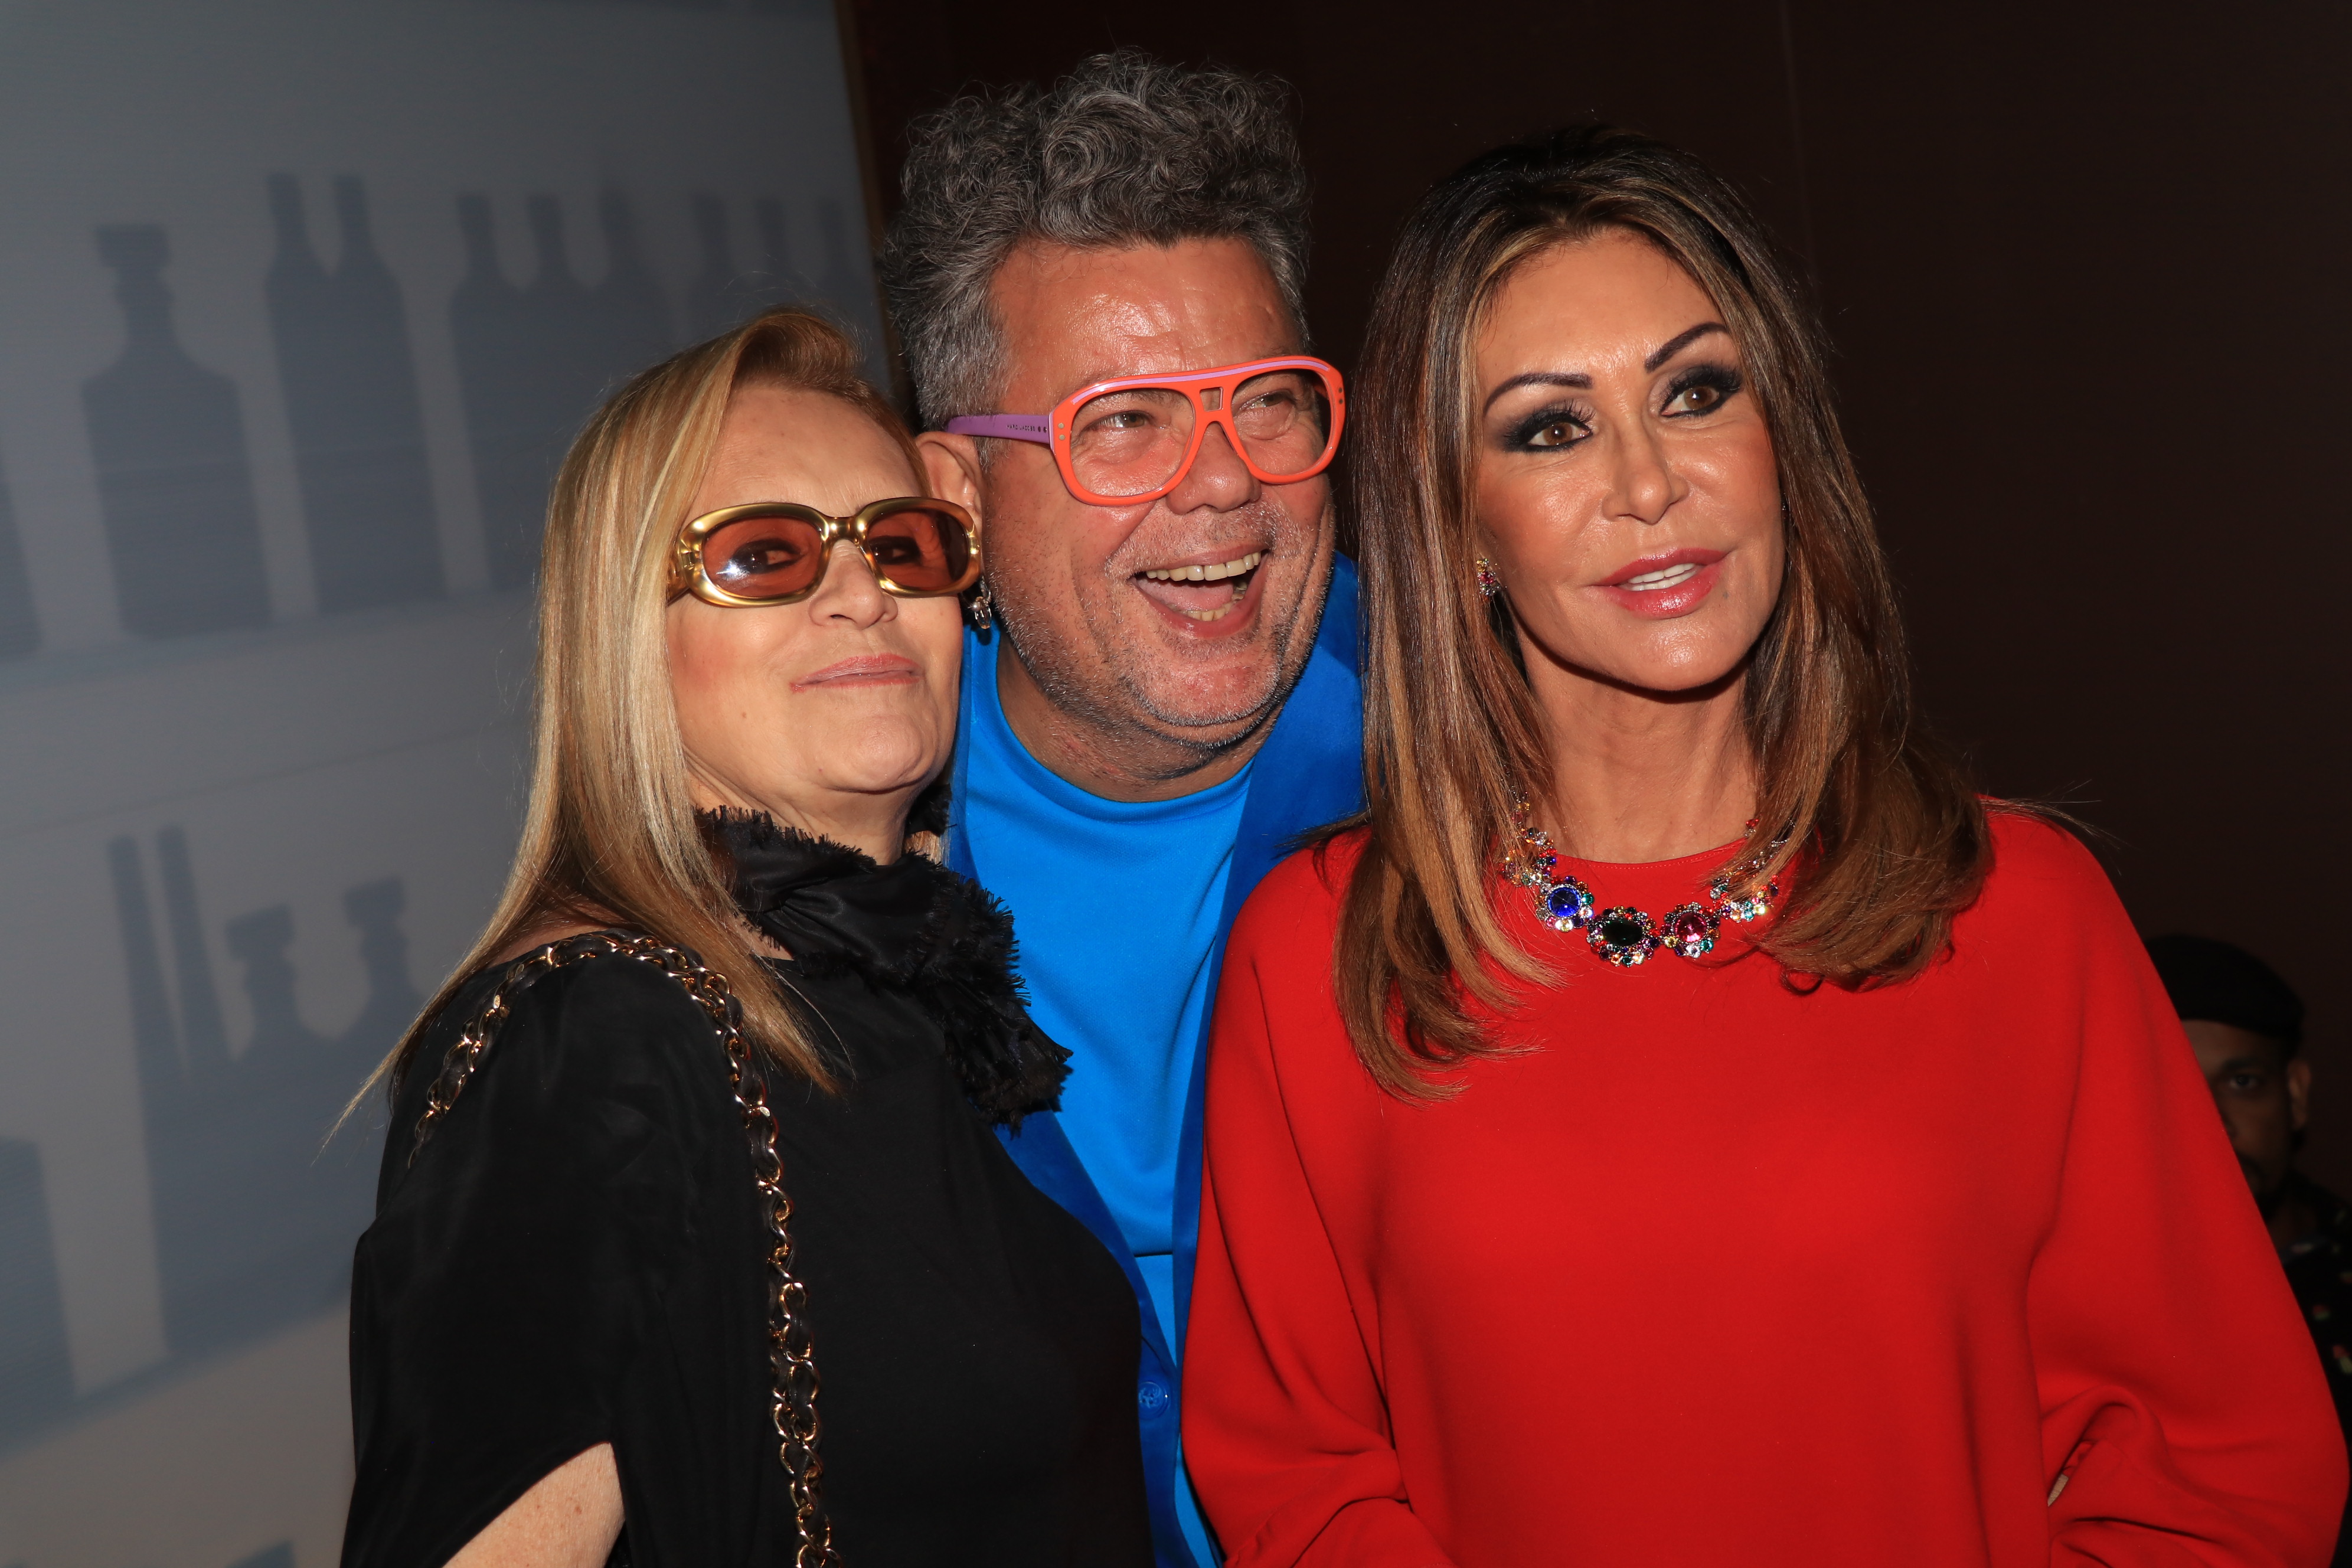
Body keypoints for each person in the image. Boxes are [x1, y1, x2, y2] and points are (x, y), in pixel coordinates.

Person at [1182, 126, 2346, 1566]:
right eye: (1549, 427)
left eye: (1696, 392)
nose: (1649, 481)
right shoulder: (1323, 948)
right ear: (1457, 519)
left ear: (1777, 441)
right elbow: (1296, 1479)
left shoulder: (2016, 910)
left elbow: (2223, 1473)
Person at [340, 308, 1151, 1567]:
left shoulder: (916, 986)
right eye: (763, 554)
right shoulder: (589, 1044)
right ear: (631, 643)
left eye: (902, 543)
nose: (861, 593)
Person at [879, 51, 1361, 1567]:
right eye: (1125, 422)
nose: (1222, 486)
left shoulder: (1485, 753)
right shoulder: (844, 839)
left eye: (1267, 403)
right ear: (957, 493)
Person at [2150, 933, 2352, 1562]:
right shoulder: (2089, 1311)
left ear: (2295, 1093)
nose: (2212, 1120)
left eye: (2241, 1081)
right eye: (2173, 1090)